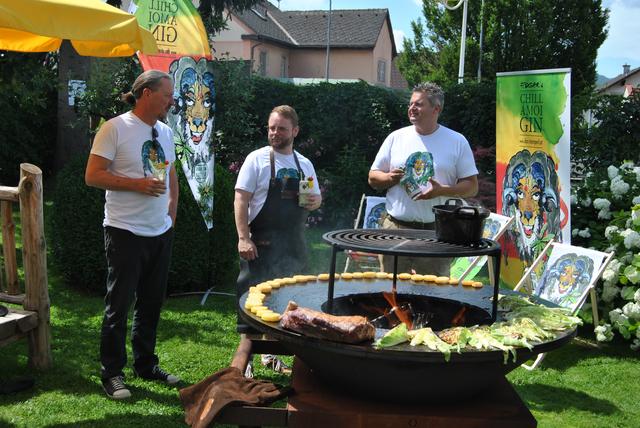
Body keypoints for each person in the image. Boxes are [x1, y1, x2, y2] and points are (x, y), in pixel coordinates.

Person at [85, 70, 180, 400]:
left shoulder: (166, 132)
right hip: (124, 230)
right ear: (147, 94)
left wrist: (172, 211)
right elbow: (93, 176)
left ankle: (146, 364)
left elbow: (171, 173)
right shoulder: (114, 128)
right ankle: (111, 372)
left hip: (160, 232)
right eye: (167, 94)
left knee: (151, 303)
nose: (172, 99)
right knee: (119, 305)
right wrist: (137, 185)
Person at [234, 105, 321, 373]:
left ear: (294, 131)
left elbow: (314, 200)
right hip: (260, 244)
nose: (274, 133)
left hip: (293, 244)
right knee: (252, 302)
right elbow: (241, 199)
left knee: (287, 302)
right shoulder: (257, 160)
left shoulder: (303, 164)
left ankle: (271, 356)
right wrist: (243, 238)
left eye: (281, 128)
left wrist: (315, 201)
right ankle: (245, 362)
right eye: (271, 127)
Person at [368, 82, 479, 276]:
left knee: (434, 297)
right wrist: (389, 178)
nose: (411, 108)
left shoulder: (456, 141)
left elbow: (471, 187)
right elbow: (373, 177)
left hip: (437, 232)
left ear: (436, 109)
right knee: (389, 293)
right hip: (395, 228)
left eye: (418, 104)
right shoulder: (396, 137)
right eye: (410, 104)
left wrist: (442, 190)